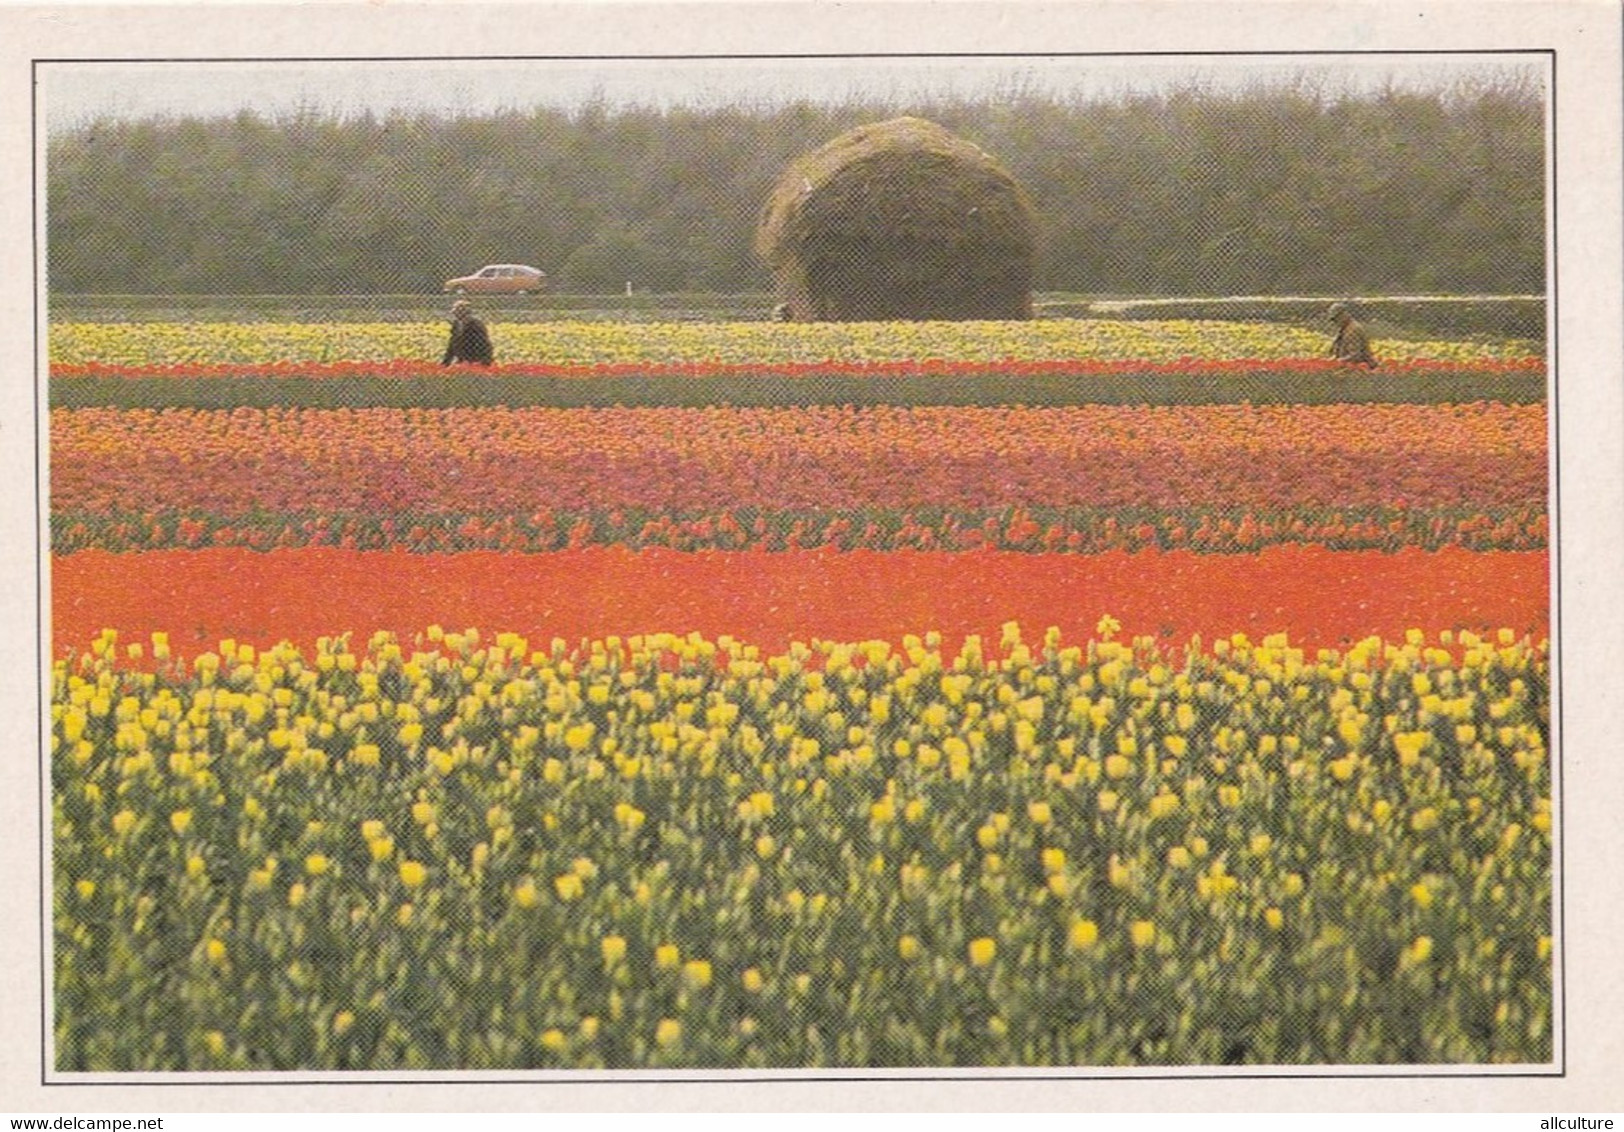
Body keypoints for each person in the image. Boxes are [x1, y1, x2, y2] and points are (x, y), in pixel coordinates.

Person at [442, 299, 494, 366]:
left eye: (457, 311)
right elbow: (452, 344)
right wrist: (446, 362)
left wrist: (484, 361)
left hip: (475, 359)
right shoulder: (456, 324)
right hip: (462, 359)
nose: (454, 313)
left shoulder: (475, 325)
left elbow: (484, 344)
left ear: (464, 312)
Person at [1326, 302, 1377, 368]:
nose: (1335, 322)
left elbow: (1355, 355)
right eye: (1334, 320)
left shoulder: (1353, 330)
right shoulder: (1345, 328)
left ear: (1344, 314)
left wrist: (1337, 361)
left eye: (1336, 318)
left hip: (1360, 367)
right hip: (1348, 366)